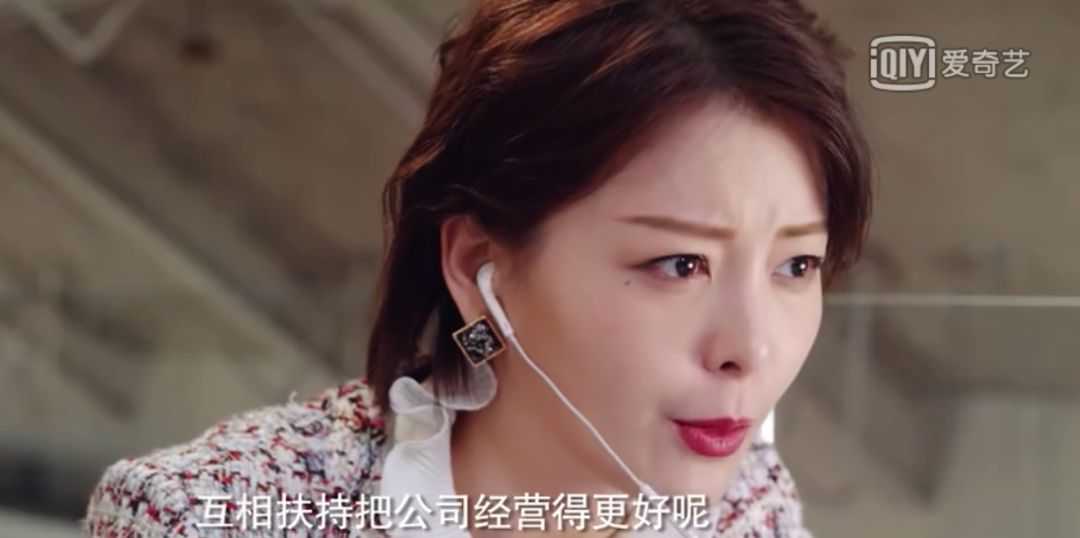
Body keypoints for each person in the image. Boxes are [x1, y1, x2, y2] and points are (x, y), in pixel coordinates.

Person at [83, 0, 873, 536]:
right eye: (680, 263)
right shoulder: (205, 517)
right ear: (477, 265)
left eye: (797, 264)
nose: (751, 348)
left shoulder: (748, 507)